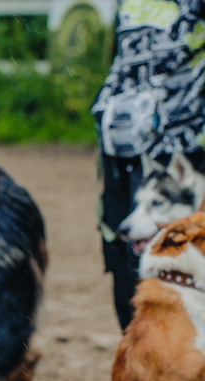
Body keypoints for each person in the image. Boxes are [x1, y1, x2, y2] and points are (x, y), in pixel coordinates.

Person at [93, 0, 205, 330]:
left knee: (180, 257)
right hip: (119, 144)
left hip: (184, 145)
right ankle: (140, 347)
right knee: (123, 252)